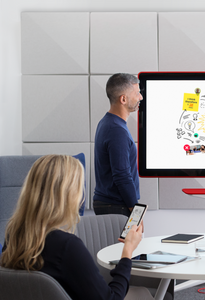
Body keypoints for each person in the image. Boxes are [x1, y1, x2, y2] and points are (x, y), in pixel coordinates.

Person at [0, 155, 150, 300]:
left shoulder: (13, 236)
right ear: (67, 195)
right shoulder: (67, 247)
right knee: (145, 294)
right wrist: (128, 251)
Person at [93, 73, 143, 217]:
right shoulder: (116, 130)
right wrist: (136, 213)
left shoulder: (107, 123)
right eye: (137, 93)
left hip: (111, 205)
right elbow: (122, 175)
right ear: (123, 99)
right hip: (116, 207)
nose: (141, 97)